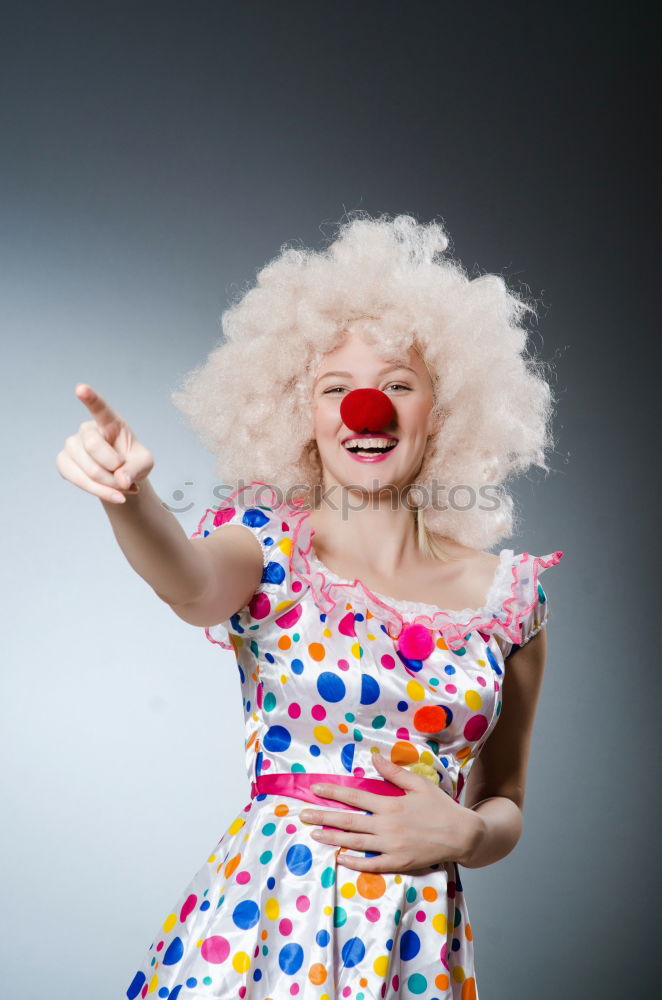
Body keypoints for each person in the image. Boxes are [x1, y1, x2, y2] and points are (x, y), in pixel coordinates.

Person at [56, 213, 564, 1000]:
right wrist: (132, 498)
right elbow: (190, 583)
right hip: (266, 926)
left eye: (399, 385)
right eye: (338, 388)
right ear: (305, 414)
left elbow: (506, 802)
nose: (368, 408)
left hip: (416, 941)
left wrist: (466, 831)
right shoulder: (264, 547)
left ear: (445, 408)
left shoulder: (511, 600)